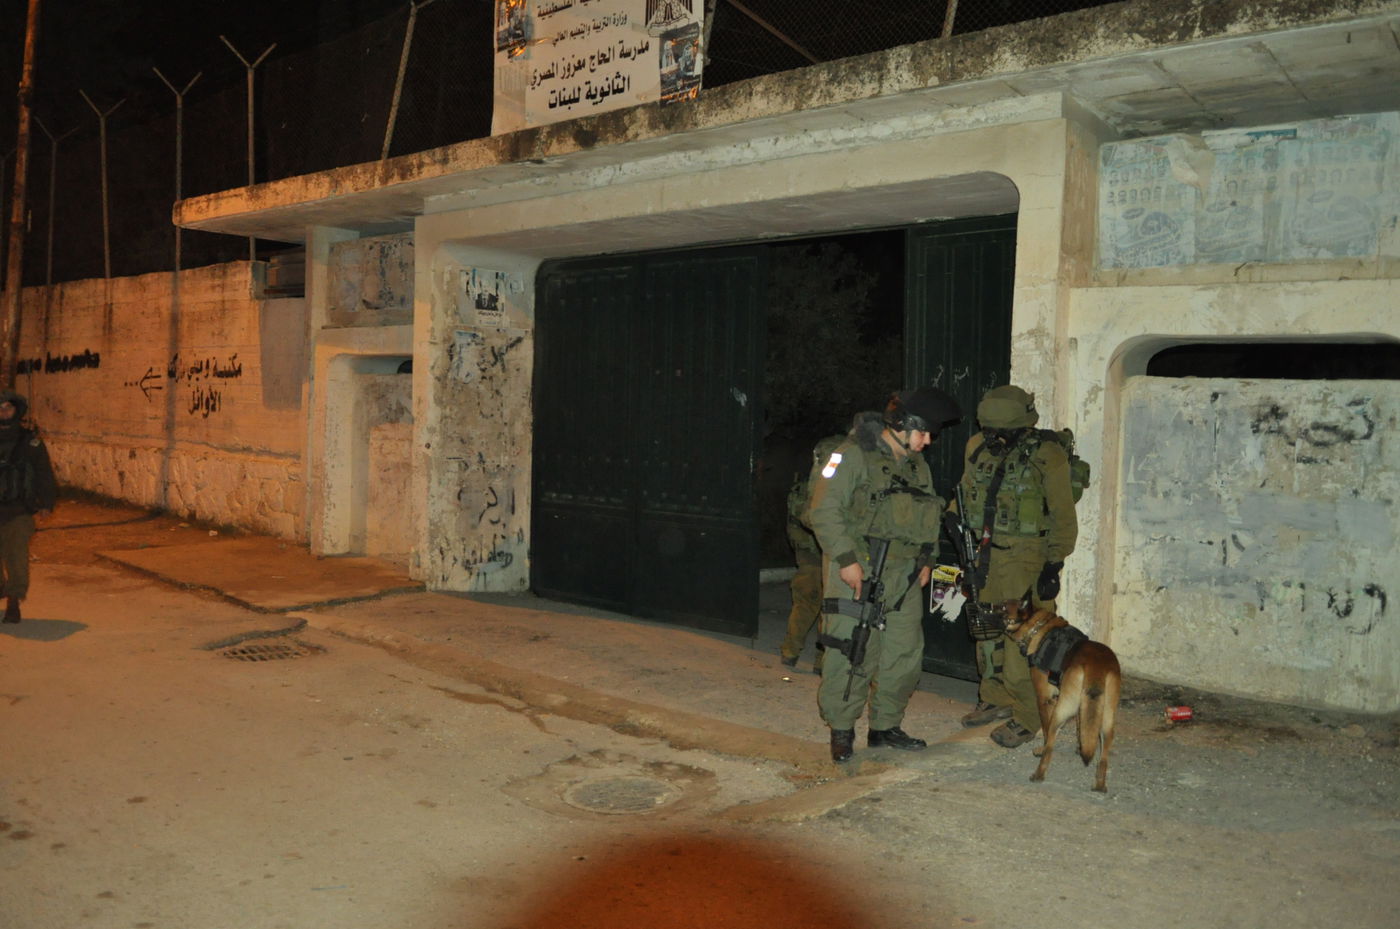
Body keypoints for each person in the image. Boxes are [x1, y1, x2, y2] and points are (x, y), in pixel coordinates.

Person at [807, 387, 961, 762]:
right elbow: (824, 510)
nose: (927, 442)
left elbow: (927, 514)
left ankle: (885, 727)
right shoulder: (850, 455)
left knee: (903, 654)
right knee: (852, 651)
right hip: (860, 567)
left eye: (931, 435)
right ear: (902, 424)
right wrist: (846, 559)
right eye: (924, 432)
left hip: (905, 575)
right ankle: (842, 729)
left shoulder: (914, 464)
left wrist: (927, 559)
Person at [953, 385, 1077, 747]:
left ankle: (1029, 714)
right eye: (989, 431)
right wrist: (952, 523)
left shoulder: (1047, 454)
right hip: (985, 553)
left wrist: (1054, 563)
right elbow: (965, 490)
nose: (993, 439)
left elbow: (1063, 516)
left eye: (1000, 433)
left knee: (1024, 642)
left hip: (1027, 558)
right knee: (986, 631)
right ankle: (996, 699)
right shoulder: (977, 446)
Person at [779, 434, 843, 674]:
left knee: (807, 604)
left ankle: (791, 652)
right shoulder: (832, 486)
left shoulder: (809, 484)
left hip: (813, 553)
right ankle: (816, 658)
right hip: (822, 554)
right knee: (826, 606)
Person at [0, 390, 57, 624]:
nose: (3, 412)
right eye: (0, 408)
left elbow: (44, 472)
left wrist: (46, 503)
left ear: (17, 411)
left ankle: (14, 599)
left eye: (8, 407)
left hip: (19, 509)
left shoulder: (30, 442)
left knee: (16, 556)